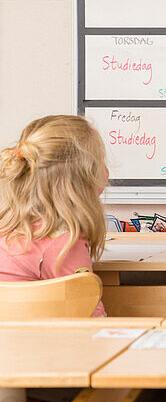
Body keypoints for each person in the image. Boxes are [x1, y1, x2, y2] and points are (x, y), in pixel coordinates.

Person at [0, 115, 108, 317]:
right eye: (100, 162)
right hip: (41, 344)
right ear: (83, 183)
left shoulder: (6, 227)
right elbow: (89, 317)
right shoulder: (65, 244)